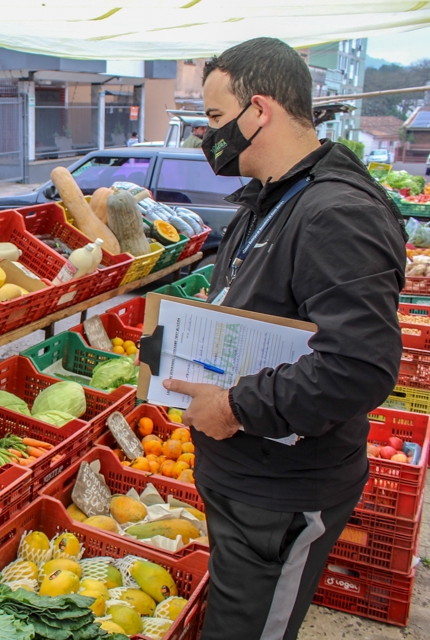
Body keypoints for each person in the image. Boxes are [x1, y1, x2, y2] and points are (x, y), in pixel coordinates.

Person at [163, 38, 406, 640]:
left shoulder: (335, 213)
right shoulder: (270, 199)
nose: (208, 136)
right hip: (247, 479)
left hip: (281, 496)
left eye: (216, 118)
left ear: (260, 111)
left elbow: (359, 365)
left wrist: (236, 405)